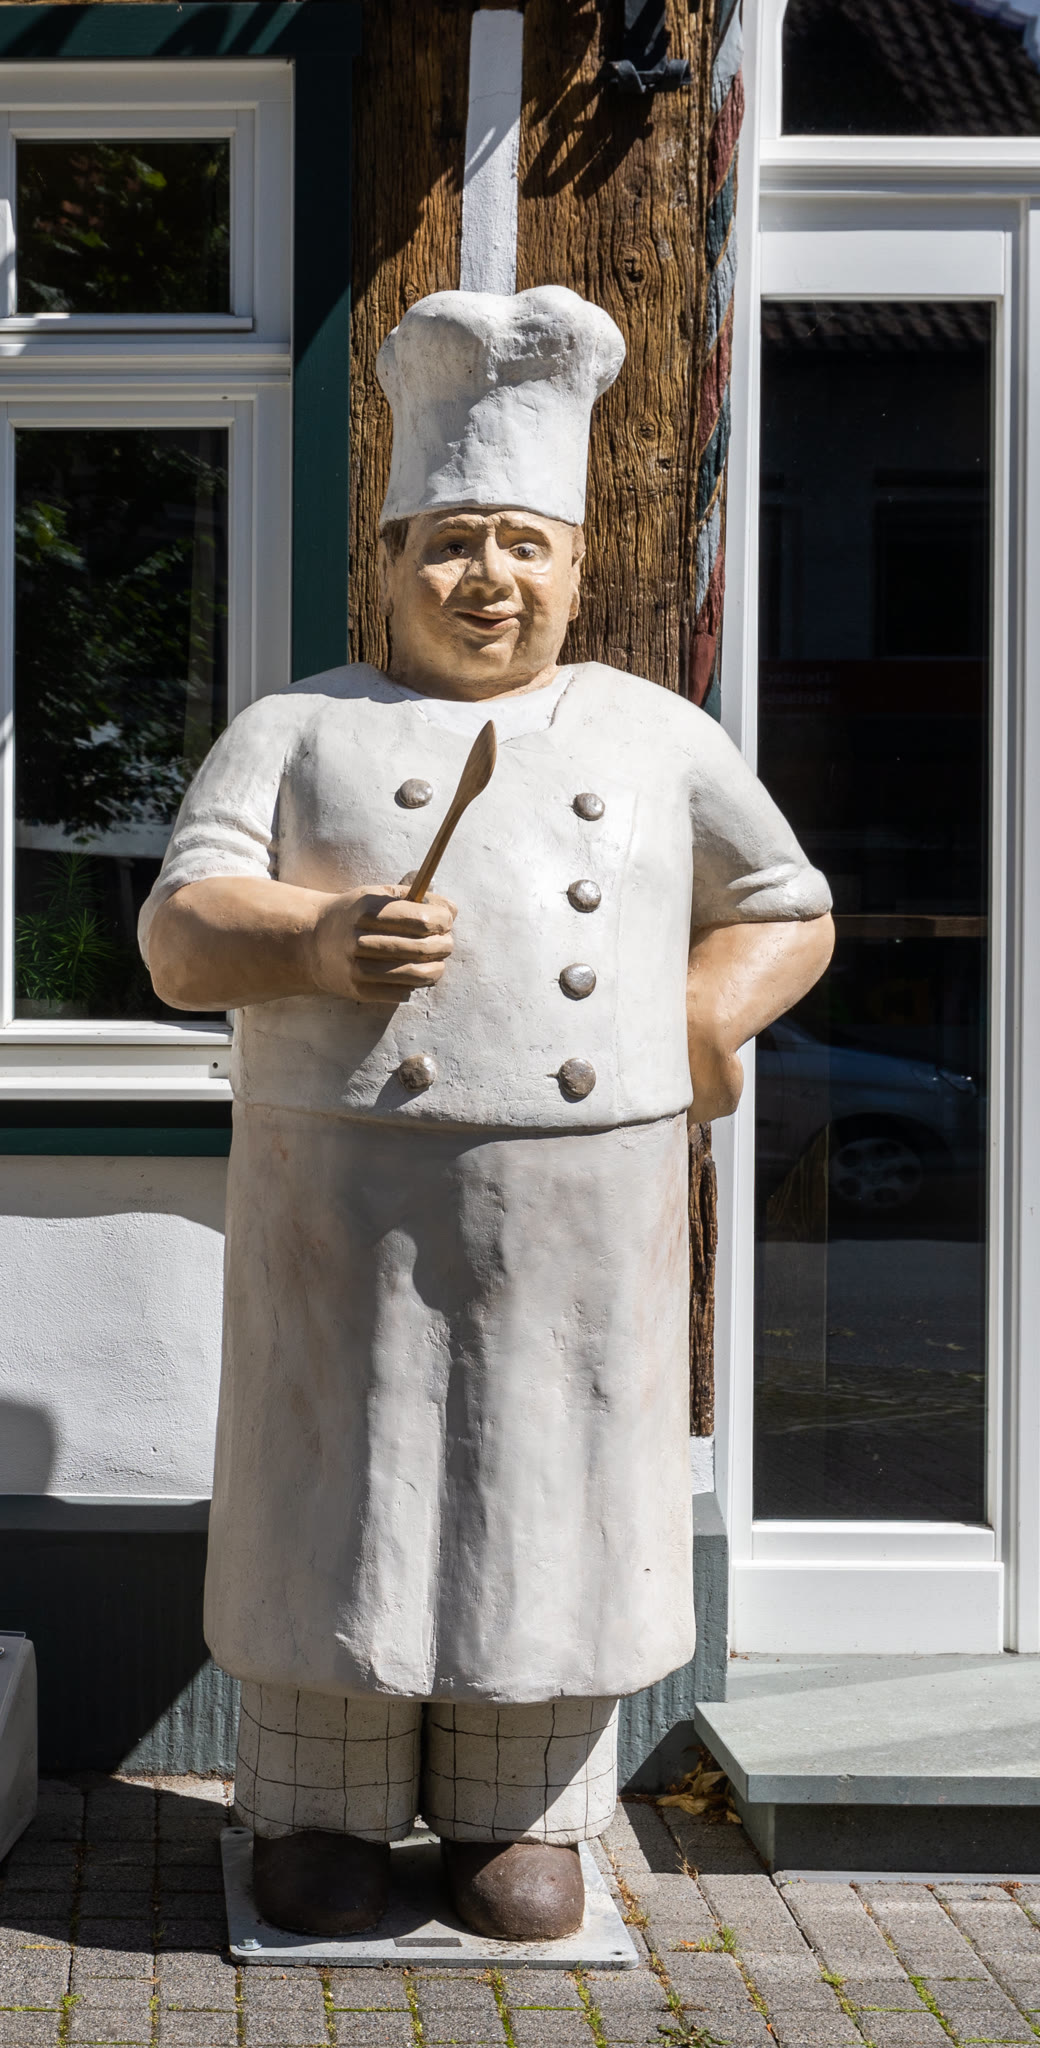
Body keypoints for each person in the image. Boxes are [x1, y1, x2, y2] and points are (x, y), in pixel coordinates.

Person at [139, 287, 835, 1943]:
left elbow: (788, 905)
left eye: (525, 545)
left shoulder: (655, 736)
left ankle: (524, 1815)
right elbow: (177, 933)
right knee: (341, 1490)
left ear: (577, 570)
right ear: (389, 563)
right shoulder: (299, 728)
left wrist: (699, 1015)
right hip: (342, 1197)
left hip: (582, 1207)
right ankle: (318, 1804)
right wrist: (316, 938)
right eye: (451, 543)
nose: (487, 577)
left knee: (548, 1493)